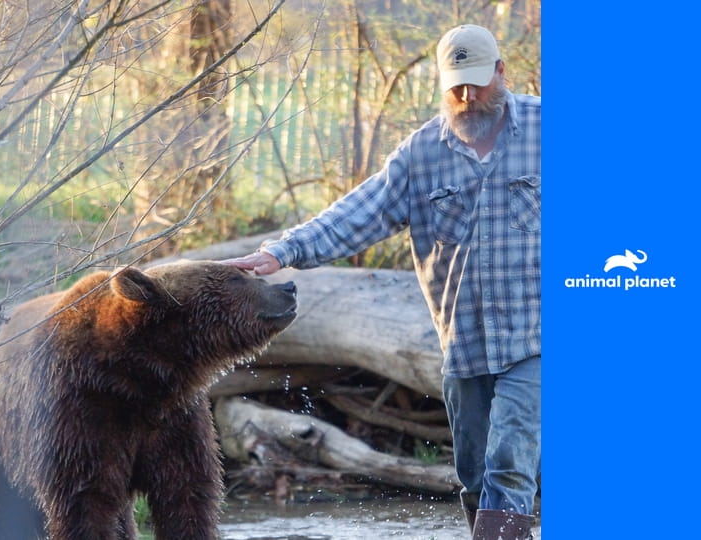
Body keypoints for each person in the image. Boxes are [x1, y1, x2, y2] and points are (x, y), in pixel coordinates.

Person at [221, 24, 540, 540]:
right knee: (476, 472)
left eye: (477, 82)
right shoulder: (420, 156)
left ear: (502, 72)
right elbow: (355, 215)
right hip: (464, 343)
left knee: (510, 459)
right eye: (455, 84)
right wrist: (279, 252)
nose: (466, 95)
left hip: (537, 337)